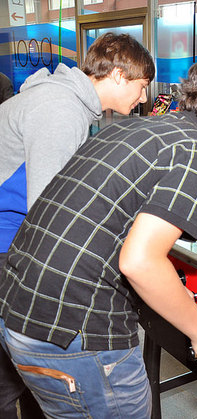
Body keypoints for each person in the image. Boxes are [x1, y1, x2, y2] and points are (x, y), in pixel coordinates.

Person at [0, 54, 197, 417]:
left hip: (17, 312)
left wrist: (169, 284)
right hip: (75, 332)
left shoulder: (134, 128)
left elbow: (105, 222)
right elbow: (139, 261)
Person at [0, 32, 154, 419]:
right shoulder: (60, 109)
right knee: (20, 374)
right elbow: (50, 217)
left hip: (12, 238)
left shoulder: (68, 102)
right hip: (6, 244)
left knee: (19, 375)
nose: (145, 97)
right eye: (142, 85)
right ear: (118, 75)